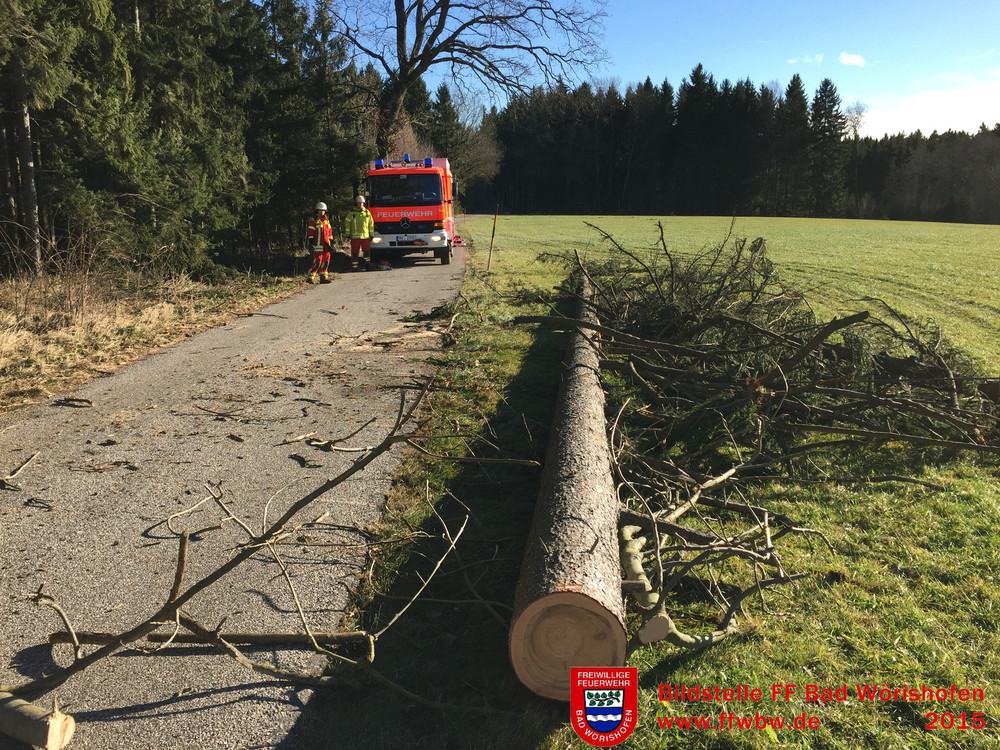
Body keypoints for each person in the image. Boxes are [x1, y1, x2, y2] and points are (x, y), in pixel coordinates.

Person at [344, 195, 378, 271]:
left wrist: (371, 234)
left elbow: (371, 224)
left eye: (362, 203)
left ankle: (368, 265)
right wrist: (348, 234)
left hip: (365, 236)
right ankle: (355, 267)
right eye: (359, 203)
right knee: (355, 253)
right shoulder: (352, 213)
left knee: (367, 252)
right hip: (355, 237)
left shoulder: (367, 213)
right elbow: (347, 223)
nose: (360, 204)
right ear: (356, 203)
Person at [306, 201, 334, 283]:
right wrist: (311, 243)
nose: (322, 212)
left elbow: (329, 232)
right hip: (318, 246)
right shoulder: (313, 221)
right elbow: (310, 233)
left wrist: (332, 242)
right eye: (320, 210)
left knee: (325, 262)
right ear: (317, 211)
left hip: (326, 246)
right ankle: (310, 278)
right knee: (317, 263)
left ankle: (323, 278)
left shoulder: (326, 221)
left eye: (324, 211)